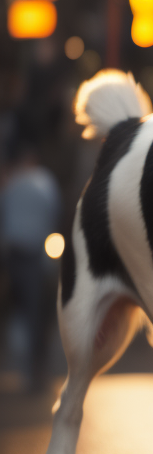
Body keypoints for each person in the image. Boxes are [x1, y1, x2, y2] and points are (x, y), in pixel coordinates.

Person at [0, 142, 61, 391]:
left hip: (13, 254)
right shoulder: (44, 182)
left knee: (19, 312)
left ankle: (26, 369)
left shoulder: (10, 184)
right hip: (37, 254)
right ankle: (38, 371)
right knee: (36, 313)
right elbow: (53, 213)